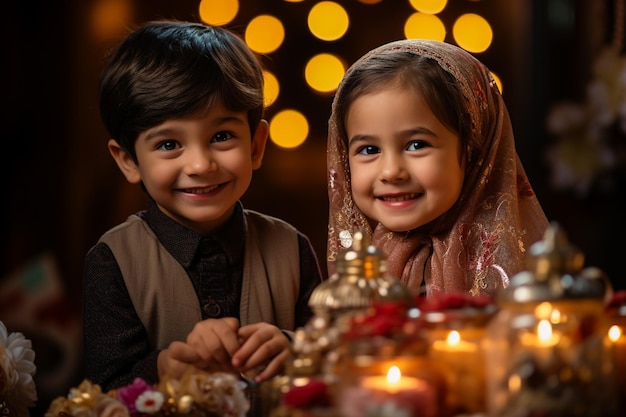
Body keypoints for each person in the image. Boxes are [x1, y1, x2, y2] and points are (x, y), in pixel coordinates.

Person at [83, 20, 323, 392]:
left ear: (256, 145)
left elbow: (333, 360)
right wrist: (163, 367)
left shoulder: (291, 248)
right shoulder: (112, 261)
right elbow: (104, 388)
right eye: (168, 144)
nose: (200, 165)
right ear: (128, 160)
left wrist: (296, 350)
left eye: (221, 136)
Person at [326, 39, 549, 297]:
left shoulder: (523, 280)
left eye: (417, 145)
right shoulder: (356, 276)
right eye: (369, 150)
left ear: (473, 150)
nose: (390, 172)